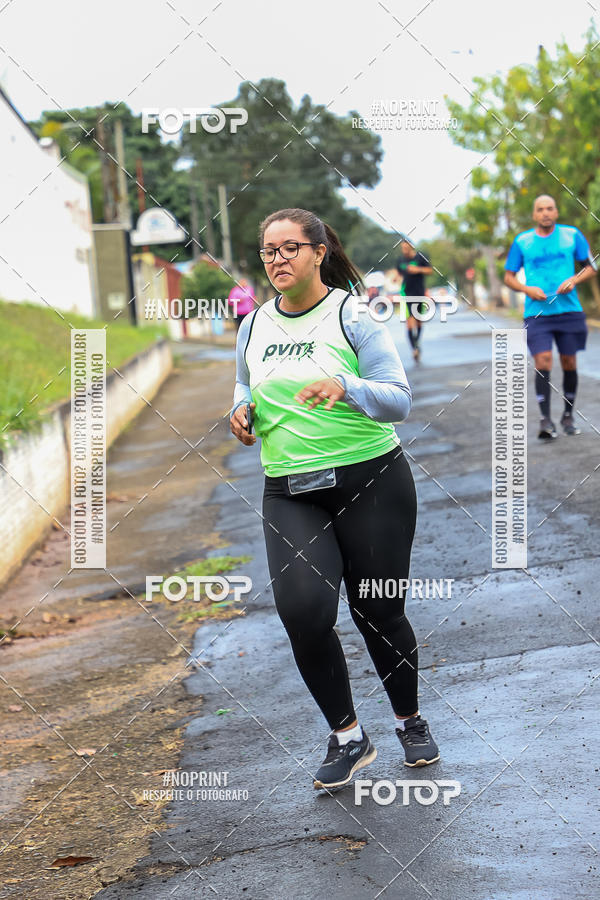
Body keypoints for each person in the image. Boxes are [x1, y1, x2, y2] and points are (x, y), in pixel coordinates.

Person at [229, 207, 439, 791]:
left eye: (289, 248)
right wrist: (239, 413)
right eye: (268, 250)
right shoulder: (253, 326)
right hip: (290, 487)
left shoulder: (353, 316)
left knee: (378, 610)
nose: (277, 259)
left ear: (318, 252)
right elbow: (245, 386)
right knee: (303, 613)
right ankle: (348, 737)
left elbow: (398, 399)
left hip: (372, 479)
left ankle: (409, 720)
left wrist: (347, 386)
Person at [504, 195, 597, 439]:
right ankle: (545, 420)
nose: (545, 212)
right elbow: (509, 277)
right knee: (543, 360)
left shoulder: (571, 235)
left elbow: (591, 267)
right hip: (537, 313)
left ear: (556, 212)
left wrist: (573, 280)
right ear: (534, 215)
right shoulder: (522, 241)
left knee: (569, 363)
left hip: (569, 311)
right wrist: (526, 289)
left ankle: (568, 415)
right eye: (540, 209)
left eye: (550, 208)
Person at [396, 239, 433, 363]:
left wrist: (417, 270)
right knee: (409, 322)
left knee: (419, 322)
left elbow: (430, 270)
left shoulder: (420, 257)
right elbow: (399, 273)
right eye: (402, 248)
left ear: (411, 247)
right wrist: (396, 278)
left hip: (419, 292)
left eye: (406, 248)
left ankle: (417, 343)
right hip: (406, 293)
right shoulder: (400, 261)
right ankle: (415, 349)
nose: (404, 250)